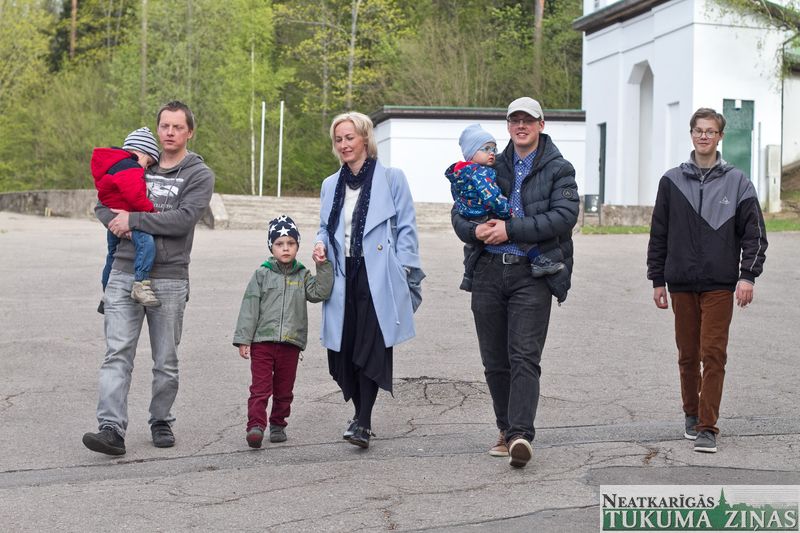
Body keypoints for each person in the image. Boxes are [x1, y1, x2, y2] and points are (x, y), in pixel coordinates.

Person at [451, 97, 579, 468]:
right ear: (508, 125)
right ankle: (505, 430)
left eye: (528, 120)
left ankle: (521, 434)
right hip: (488, 270)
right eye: (514, 120)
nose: (521, 126)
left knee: (524, 356)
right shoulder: (490, 162)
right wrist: (477, 230)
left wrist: (510, 227)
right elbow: (458, 213)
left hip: (533, 273)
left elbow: (563, 217)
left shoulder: (559, 168)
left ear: (542, 123)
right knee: (494, 360)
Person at [82, 101, 215, 456]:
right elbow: (103, 202)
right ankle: (110, 428)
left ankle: (160, 419)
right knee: (117, 354)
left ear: (189, 132)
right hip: (124, 273)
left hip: (170, 278)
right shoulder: (136, 160)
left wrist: (134, 221)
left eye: (177, 127)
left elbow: (183, 220)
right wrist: (116, 220)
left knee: (166, 359)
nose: (170, 133)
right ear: (158, 129)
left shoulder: (198, 174)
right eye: (165, 126)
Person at [647, 107, 767, 454]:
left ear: (720, 137)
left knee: (713, 354)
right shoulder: (671, 181)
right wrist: (657, 279)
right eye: (699, 130)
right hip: (681, 282)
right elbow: (659, 234)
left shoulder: (738, 181)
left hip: (719, 283)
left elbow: (755, 235)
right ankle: (691, 412)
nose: (704, 136)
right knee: (688, 354)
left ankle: (707, 426)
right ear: (691, 135)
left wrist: (748, 277)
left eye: (710, 131)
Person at [313, 111, 423, 449]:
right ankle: (360, 417)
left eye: (350, 137)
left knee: (371, 345)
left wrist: (404, 268)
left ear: (365, 139)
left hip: (378, 274)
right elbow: (324, 227)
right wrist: (319, 243)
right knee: (344, 347)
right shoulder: (331, 184)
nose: (344, 144)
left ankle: (363, 421)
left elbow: (406, 227)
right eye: (339, 139)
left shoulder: (392, 178)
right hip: (343, 274)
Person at [233, 215, 333, 449]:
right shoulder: (262, 274)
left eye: (291, 243)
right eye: (279, 244)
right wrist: (243, 339)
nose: (285, 248)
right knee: (260, 388)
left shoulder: (303, 274)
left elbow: (320, 293)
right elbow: (249, 306)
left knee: (284, 389)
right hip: (262, 342)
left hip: (291, 342)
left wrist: (322, 266)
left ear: (298, 246)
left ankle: (278, 424)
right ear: (271, 246)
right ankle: (255, 426)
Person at [445, 123, 564, 291]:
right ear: (471, 152)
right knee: (519, 234)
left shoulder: (459, 173)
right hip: (487, 213)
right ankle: (538, 260)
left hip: (471, 215)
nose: (491, 153)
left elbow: (457, 198)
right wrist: (507, 211)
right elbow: (492, 196)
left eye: (493, 149)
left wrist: (468, 214)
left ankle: (468, 275)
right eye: (485, 149)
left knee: (473, 247)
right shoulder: (482, 172)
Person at [91, 127, 162, 312]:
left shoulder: (113, 165)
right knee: (146, 244)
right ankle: (141, 284)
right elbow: (135, 196)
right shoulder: (130, 168)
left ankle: (106, 295)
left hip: (113, 215)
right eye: (148, 162)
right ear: (140, 152)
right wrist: (150, 212)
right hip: (128, 214)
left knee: (112, 257)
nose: (146, 168)